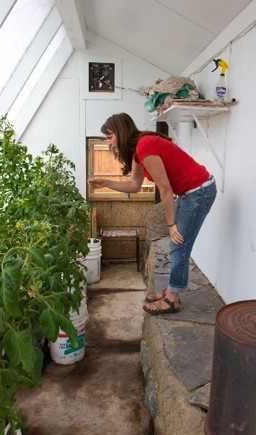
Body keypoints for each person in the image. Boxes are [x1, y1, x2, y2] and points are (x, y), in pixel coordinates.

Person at [88, 113, 216, 315]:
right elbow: (134, 185)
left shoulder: (144, 146)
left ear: (121, 132)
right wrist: (105, 182)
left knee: (179, 244)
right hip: (189, 192)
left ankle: (172, 299)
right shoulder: (139, 150)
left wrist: (171, 224)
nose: (108, 142)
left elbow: (164, 188)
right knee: (177, 244)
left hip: (199, 191)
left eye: (110, 136)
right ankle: (173, 290)